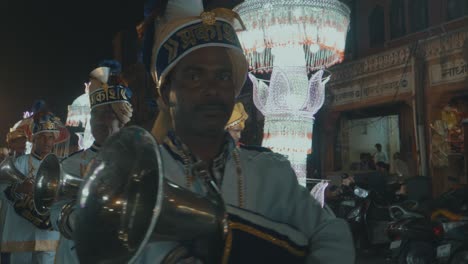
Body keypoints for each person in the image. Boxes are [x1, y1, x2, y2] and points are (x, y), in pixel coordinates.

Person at [134, 0, 354, 262]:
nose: (212, 89)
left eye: (223, 76)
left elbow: (331, 233)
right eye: (195, 76)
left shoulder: (270, 171)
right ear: (166, 91)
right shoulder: (140, 180)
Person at [49, 60, 133, 264]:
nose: (100, 121)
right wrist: (79, 220)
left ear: (121, 119)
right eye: (96, 114)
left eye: (108, 114)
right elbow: (54, 212)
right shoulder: (70, 165)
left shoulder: (138, 160)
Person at [0, 112, 62, 264]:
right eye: (42, 136)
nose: (46, 141)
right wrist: (20, 189)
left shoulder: (60, 166)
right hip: (21, 228)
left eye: (50, 137)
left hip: (48, 231)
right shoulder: (18, 163)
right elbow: (2, 188)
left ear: (54, 141)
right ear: (34, 138)